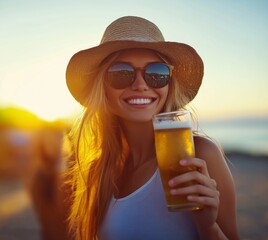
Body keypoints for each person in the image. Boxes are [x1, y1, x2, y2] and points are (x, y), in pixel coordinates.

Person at [65, 16, 239, 240]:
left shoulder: (201, 155)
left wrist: (208, 227)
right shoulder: (101, 169)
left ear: (169, 84)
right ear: (103, 87)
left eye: (157, 73)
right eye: (121, 73)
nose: (140, 85)